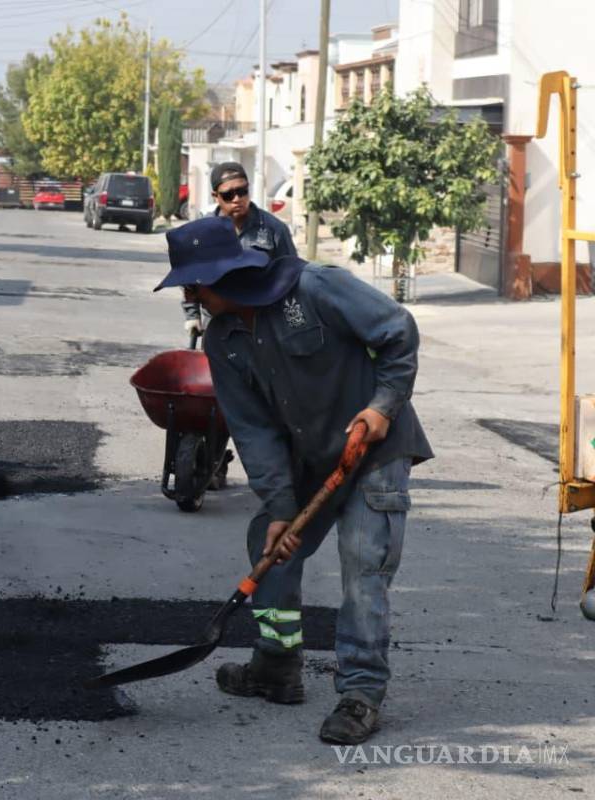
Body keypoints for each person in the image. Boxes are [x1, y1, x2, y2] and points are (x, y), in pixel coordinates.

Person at [157, 216, 432, 745]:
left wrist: (383, 406)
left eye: (193, 284)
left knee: (363, 567)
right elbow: (254, 431)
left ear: (220, 277)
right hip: (312, 464)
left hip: (374, 451)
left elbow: (397, 330)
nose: (190, 295)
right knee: (270, 546)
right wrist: (281, 508)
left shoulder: (314, 288)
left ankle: (360, 694)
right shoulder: (224, 341)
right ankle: (276, 665)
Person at [182, 162, 297, 344]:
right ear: (216, 197)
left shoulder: (274, 230)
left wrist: (293, 324)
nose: (237, 199)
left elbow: (293, 279)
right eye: (228, 195)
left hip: (262, 328)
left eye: (242, 191)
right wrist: (192, 315)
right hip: (218, 326)